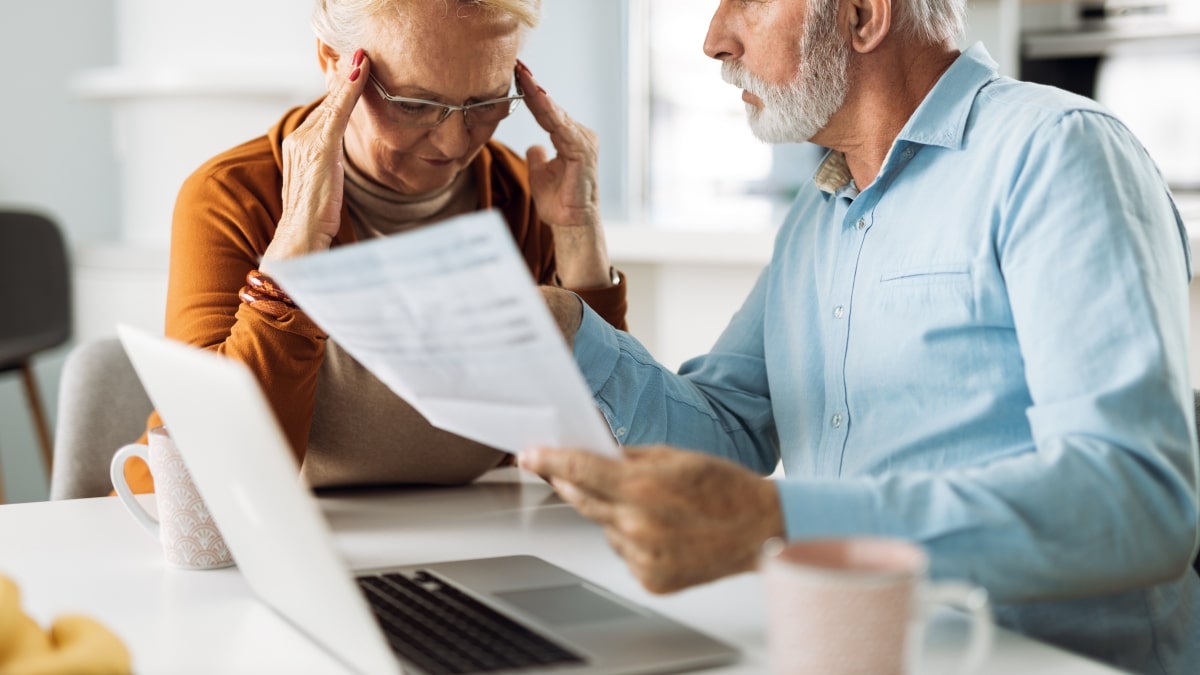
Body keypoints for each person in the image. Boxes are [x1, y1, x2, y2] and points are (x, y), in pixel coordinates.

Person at [520, 0, 1200, 672]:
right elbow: (725, 429)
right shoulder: (817, 216)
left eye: (748, 3)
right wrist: (569, 326)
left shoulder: (1056, 152)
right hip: (851, 650)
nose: (714, 40)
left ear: (862, 17)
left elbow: (1136, 498)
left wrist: (777, 516)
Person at [121, 0, 627, 493]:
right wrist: (298, 238)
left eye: (485, 102)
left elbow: (602, 467)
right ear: (332, 61)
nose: (454, 143)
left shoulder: (523, 195)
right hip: (216, 538)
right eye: (413, 104)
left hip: (454, 535)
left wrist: (579, 237)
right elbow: (217, 474)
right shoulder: (234, 194)